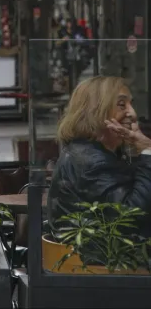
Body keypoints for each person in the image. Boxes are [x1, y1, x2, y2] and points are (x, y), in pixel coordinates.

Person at [48, 76, 151, 238]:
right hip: (103, 259)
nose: (132, 113)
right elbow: (130, 217)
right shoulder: (92, 161)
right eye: (122, 105)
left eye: (131, 104)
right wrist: (147, 151)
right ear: (96, 111)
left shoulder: (99, 152)